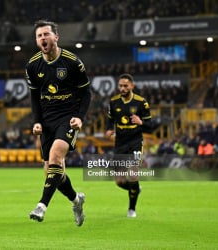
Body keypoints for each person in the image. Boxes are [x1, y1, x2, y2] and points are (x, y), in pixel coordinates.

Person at [25, 20, 91, 226]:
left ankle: (41, 206)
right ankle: (76, 199)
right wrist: (36, 122)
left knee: (55, 157)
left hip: (67, 118)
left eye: (46, 34)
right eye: (39, 36)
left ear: (56, 37)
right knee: (53, 172)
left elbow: (86, 92)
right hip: (46, 121)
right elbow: (34, 97)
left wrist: (79, 117)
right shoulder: (33, 65)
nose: (43, 38)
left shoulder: (72, 62)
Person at [105, 73, 152, 218]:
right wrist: (109, 129)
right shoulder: (113, 102)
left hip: (135, 142)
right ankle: (135, 189)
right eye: (120, 86)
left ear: (132, 86)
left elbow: (151, 126)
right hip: (120, 143)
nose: (123, 88)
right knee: (119, 181)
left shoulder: (141, 102)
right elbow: (110, 119)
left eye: (125, 85)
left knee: (132, 174)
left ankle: (132, 209)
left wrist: (141, 122)